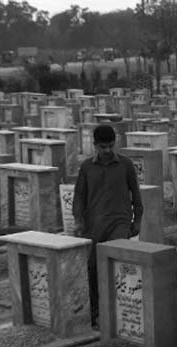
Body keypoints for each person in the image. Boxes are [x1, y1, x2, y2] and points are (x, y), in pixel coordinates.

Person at [72, 124, 143, 329]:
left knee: (114, 265)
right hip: (94, 224)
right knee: (93, 268)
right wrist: (78, 220)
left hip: (119, 222)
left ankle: (119, 312)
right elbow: (79, 196)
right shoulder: (86, 167)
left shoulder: (126, 165)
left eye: (111, 146)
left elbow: (136, 195)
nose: (107, 151)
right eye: (103, 147)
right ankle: (95, 311)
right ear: (95, 146)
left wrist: (137, 220)